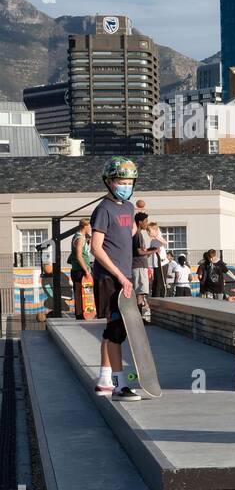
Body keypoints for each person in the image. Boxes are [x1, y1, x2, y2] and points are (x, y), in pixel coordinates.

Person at [88, 157, 146, 401]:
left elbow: (127, 234)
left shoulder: (129, 208)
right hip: (110, 278)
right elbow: (96, 248)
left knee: (112, 330)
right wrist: (121, 276)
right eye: (122, 181)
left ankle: (104, 380)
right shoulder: (103, 210)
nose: (126, 186)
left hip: (125, 277)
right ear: (109, 182)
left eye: (130, 182)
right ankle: (120, 385)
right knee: (116, 331)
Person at [131, 212, 157, 318]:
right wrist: (153, 251)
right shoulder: (137, 235)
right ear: (140, 222)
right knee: (140, 292)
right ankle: (139, 316)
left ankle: (140, 314)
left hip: (140, 266)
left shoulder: (138, 234)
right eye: (145, 221)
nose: (147, 223)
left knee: (141, 292)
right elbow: (139, 252)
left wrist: (150, 251)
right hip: (138, 266)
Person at [70, 218, 95, 319]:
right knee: (81, 293)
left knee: (83, 293)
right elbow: (79, 256)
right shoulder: (80, 238)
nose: (90, 228)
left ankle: (83, 313)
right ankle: (81, 314)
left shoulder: (79, 236)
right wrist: (86, 270)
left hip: (79, 269)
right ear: (85, 226)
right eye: (89, 226)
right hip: (80, 270)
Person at [148, 222, 169, 298]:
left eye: (149, 231)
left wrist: (156, 236)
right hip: (156, 265)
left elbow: (165, 242)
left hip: (162, 264)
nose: (148, 233)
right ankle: (155, 297)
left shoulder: (159, 238)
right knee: (156, 282)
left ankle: (162, 297)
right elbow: (149, 252)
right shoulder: (152, 241)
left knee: (161, 283)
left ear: (155, 230)